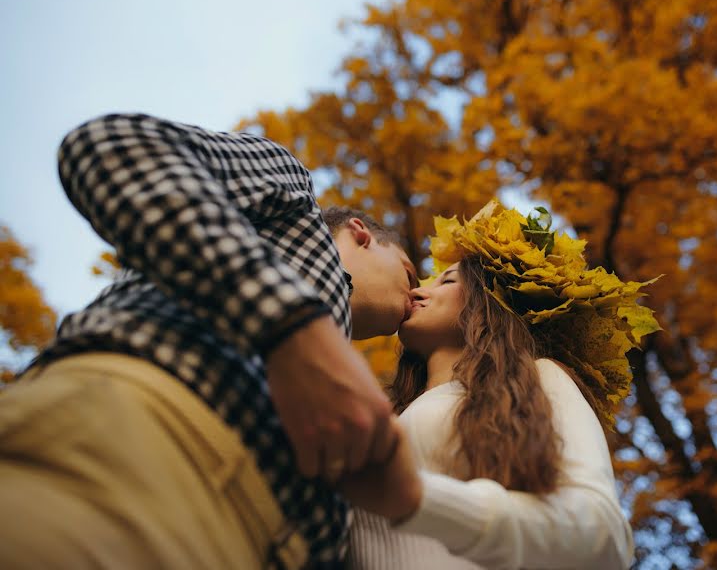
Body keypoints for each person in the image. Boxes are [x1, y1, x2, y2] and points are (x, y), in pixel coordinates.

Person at [0, 113, 421, 569]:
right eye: (410, 272)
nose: (418, 293)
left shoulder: (340, 378)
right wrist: (289, 328)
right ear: (362, 234)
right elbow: (116, 147)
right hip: (126, 448)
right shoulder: (295, 206)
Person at [341, 200, 660, 569]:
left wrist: (418, 500)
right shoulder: (382, 414)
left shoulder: (537, 376)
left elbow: (603, 534)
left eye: (447, 280)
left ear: (485, 302)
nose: (415, 292)